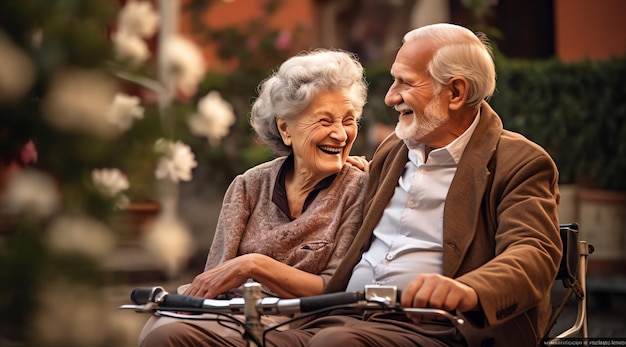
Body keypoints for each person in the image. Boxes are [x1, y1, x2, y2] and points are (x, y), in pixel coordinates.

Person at [159, 23, 563, 347]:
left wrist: (468, 290)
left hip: (437, 326)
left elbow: (535, 252)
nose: (390, 98)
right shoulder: (393, 152)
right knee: (170, 334)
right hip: (338, 314)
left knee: (336, 342)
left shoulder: (519, 162)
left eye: (405, 83)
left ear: (455, 92)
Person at [138, 48, 369, 345]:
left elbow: (335, 287)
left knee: (170, 336)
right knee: (162, 327)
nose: (340, 134)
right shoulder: (249, 185)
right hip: (233, 318)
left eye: (348, 120)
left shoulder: (357, 188)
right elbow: (216, 280)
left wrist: (254, 265)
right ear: (286, 128)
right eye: (325, 121)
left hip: (306, 327)